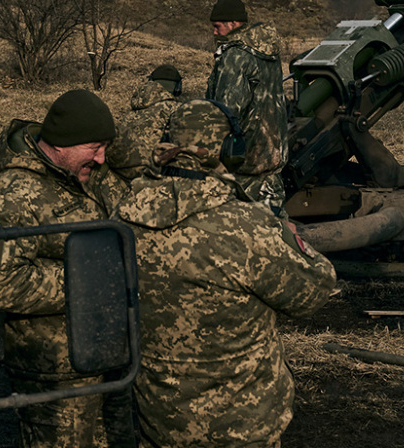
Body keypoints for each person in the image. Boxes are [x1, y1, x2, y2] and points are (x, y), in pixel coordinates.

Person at [114, 99, 337, 448]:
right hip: (243, 428)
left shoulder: (121, 219)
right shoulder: (246, 228)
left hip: (158, 424)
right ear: (229, 151)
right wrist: (287, 236)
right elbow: (314, 290)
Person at [0, 89, 136, 448]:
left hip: (111, 356)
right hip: (57, 372)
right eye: (94, 147)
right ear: (63, 143)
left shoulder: (90, 175)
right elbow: (0, 282)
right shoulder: (14, 193)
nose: (102, 157)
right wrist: (91, 281)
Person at [205, 0, 289, 212]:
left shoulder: (235, 56)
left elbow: (226, 111)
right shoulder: (268, 53)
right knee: (276, 232)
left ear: (233, 24)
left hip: (244, 165)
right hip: (271, 161)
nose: (214, 32)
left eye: (217, 26)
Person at [108, 63, 183, 181]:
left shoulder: (132, 111)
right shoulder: (177, 110)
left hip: (121, 175)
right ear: (177, 88)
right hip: (151, 177)